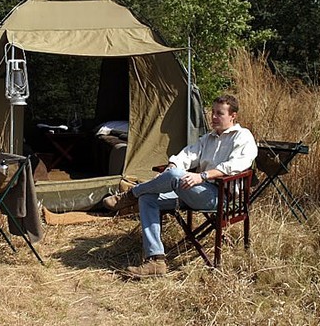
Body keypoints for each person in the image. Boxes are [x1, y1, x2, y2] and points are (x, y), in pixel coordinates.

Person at [102, 94, 258, 278]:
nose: (214, 117)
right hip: (194, 191)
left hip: (220, 196)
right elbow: (188, 155)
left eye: (219, 113)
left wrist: (203, 175)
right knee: (148, 198)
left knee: (173, 177)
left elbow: (236, 165)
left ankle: (130, 195)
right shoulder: (208, 138)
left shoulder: (243, 136)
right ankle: (156, 260)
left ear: (233, 116)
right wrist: (173, 166)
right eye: (213, 112)